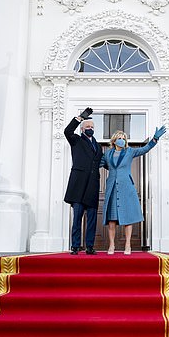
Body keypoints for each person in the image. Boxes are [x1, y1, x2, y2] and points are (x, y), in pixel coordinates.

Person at [101, 125, 166, 255]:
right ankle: (112, 245)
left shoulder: (130, 151)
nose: (122, 140)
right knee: (111, 219)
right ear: (114, 141)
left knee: (128, 217)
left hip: (126, 188)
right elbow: (100, 164)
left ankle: (128, 245)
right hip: (112, 188)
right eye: (119, 138)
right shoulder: (108, 154)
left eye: (124, 138)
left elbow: (145, 149)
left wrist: (154, 139)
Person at [64, 107, 103, 255]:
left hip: (92, 186)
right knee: (77, 218)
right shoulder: (76, 140)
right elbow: (67, 131)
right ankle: (75, 246)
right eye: (88, 127)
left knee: (92, 218)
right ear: (82, 129)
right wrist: (80, 118)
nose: (90, 129)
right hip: (79, 185)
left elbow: (102, 162)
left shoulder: (98, 146)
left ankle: (90, 246)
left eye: (92, 127)